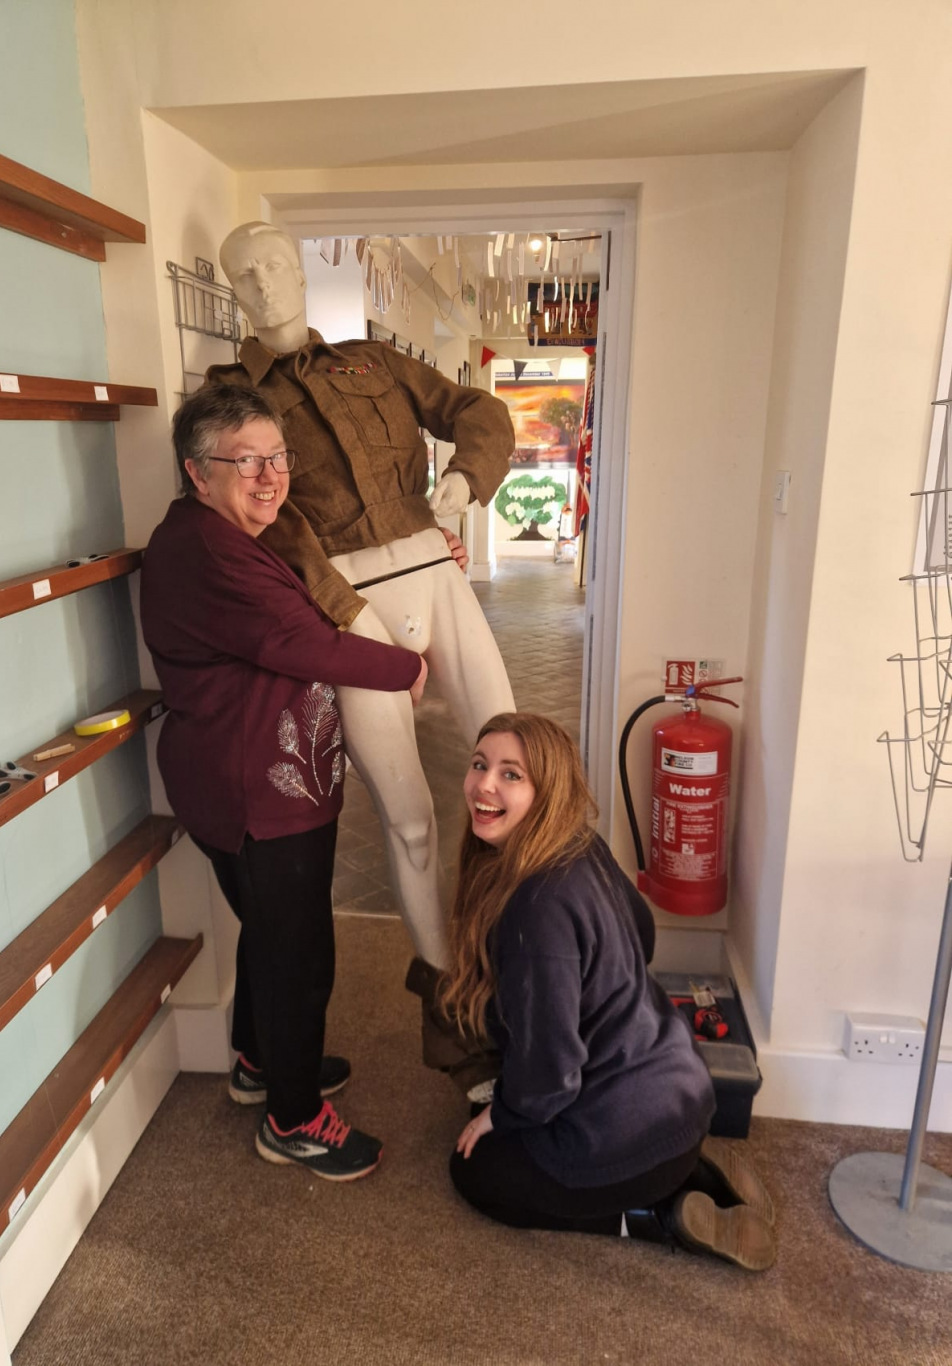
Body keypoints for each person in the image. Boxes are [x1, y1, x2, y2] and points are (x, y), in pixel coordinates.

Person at [208, 222, 517, 971]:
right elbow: (259, 519)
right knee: (408, 821)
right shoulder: (228, 398)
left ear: (300, 271)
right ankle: (444, 983)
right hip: (347, 612)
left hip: (433, 575)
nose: (265, 283)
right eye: (246, 275)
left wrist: (467, 477)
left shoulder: (374, 361)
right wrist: (342, 610)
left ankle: (517, 952)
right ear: (233, 292)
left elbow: (479, 410)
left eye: (274, 264)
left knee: (519, 766)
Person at [140, 383, 429, 1183]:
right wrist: (406, 666)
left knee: (270, 932)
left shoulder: (221, 534)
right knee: (300, 953)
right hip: (255, 795)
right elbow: (305, 643)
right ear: (198, 472)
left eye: (278, 457)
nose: (270, 477)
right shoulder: (209, 552)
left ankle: (259, 1061)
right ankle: (294, 1119)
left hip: (254, 782)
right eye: (247, 462)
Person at [442, 713, 777, 1270]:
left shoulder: (531, 913)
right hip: (684, 1093)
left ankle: (655, 1215)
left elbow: (550, 1072)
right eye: (480, 765)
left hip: (626, 1131)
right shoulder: (579, 843)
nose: (484, 786)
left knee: (476, 1169)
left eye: (511, 775)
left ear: (548, 791)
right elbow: (642, 935)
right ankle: (688, 1167)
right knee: (499, 1103)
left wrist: (502, 1114)